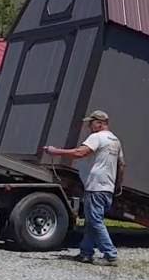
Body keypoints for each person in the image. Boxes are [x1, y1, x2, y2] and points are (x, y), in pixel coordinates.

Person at [43, 110, 126, 265]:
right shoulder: (115, 140)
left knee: (95, 221)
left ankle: (110, 255)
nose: (89, 126)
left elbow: (80, 153)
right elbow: (121, 165)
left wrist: (56, 151)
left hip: (95, 186)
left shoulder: (97, 137)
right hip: (107, 186)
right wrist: (118, 185)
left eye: (91, 122)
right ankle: (86, 253)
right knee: (92, 221)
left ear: (100, 123)